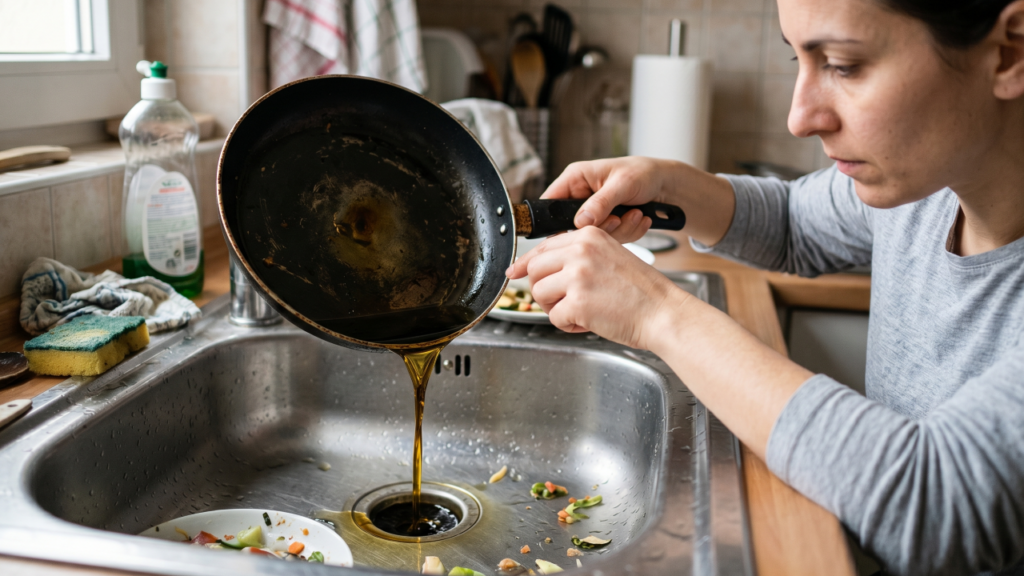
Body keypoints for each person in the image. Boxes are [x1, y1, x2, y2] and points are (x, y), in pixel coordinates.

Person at [507, 1, 1024, 574]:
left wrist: (656, 313)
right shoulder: (927, 190)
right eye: (799, 58)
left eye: (844, 65)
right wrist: (668, 185)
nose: (799, 118)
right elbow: (795, 222)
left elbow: (938, 502)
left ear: (1009, 52)